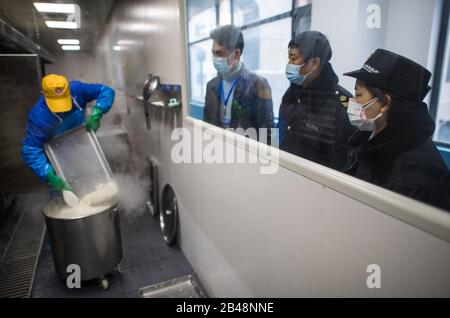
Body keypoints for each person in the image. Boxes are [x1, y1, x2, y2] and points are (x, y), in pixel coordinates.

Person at [343, 48, 450, 211]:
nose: (352, 101)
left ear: (385, 103)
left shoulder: (417, 175)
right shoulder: (370, 137)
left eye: (358, 94)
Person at [22, 74, 115, 193]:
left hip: (83, 145)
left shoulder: (77, 89)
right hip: (59, 155)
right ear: (44, 95)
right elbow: (31, 148)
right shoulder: (39, 116)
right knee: (66, 191)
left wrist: (98, 112)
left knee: (94, 180)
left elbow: (106, 91)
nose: (62, 110)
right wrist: (46, 173)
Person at [278, 31, 354, 170]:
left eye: (293, 59)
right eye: (289, 58)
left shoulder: (339, 107)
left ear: (314, 63)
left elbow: (340, 164)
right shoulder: (290, 96)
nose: (289, 64)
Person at [204, 25, 274, 143]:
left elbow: (267, 135)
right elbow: (206, 125)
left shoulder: (258, 85)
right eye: (213, 53)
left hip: (246, 156)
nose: (215, 59)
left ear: (236, 53)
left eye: (220, 54)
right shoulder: (211, 86)